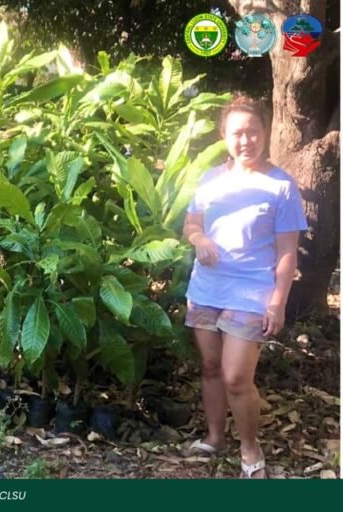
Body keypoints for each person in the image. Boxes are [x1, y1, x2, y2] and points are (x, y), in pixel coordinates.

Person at [182, 96, 307, 479]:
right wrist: (199, 239)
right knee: (210, 367)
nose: (246, 140)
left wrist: (277, 303)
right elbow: (191, 224)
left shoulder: (281, 186)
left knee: (236, 376)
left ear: (265, 133)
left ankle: (249, 447)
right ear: (224, 136)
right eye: (237, 133)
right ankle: (215, 437)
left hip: (252, 291)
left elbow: (287, 252)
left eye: (253, 132)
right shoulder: (211, 179)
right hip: (206, 288)